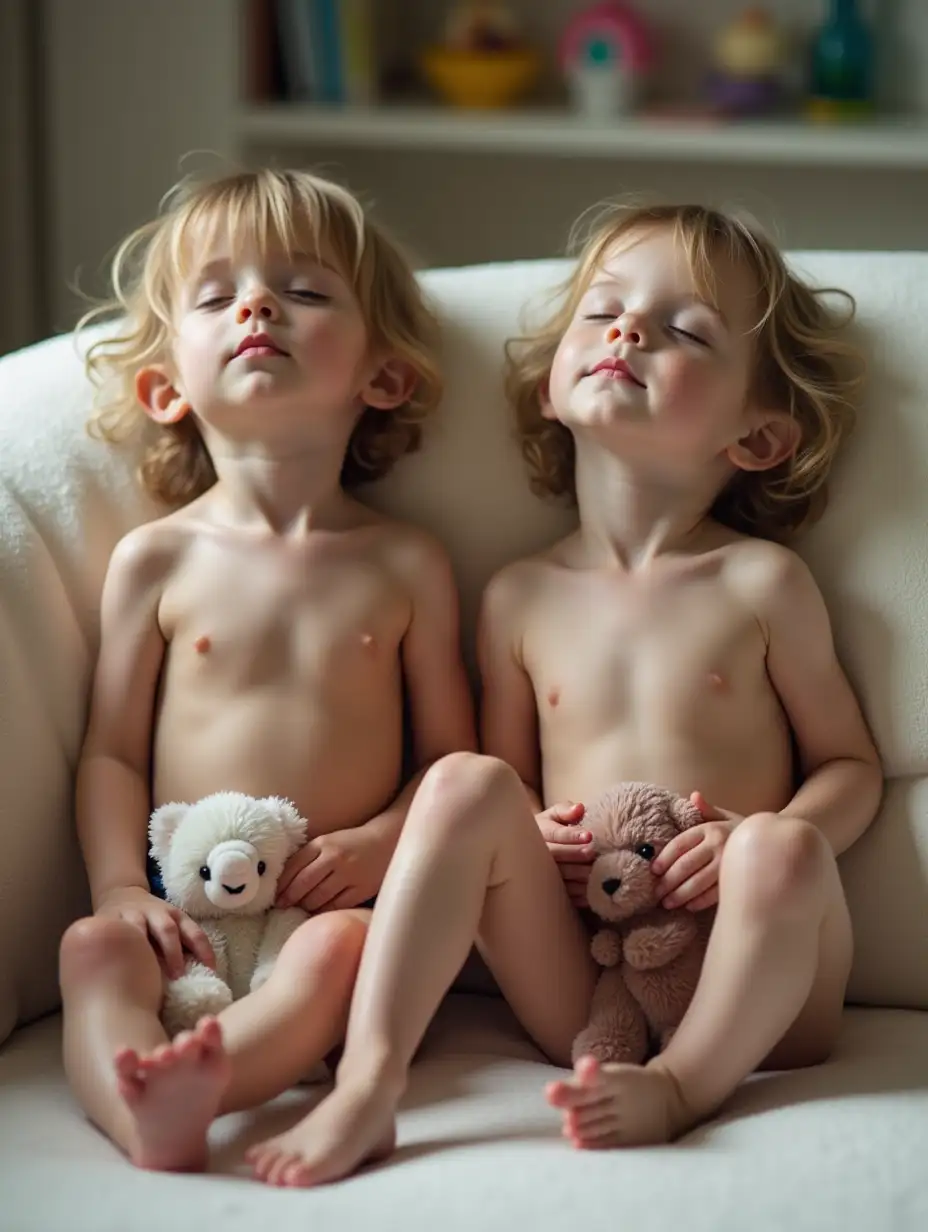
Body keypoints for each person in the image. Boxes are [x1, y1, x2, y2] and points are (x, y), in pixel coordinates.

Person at [249, 202, 883, 1187]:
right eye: (606, 313)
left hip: (760, 979)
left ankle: (680, 1084)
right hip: (588, 979)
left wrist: (747, 836)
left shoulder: (761, 583)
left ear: (756, 436)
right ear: (550, 383)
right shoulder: (518, 595)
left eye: (684, 330)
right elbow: (514, 784)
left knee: (785, 845)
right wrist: (540, 835)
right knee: (461, 781)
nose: (629, 332)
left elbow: (850, 765)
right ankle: (370, 1083)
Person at [58, 167, 476, 1173]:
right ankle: (141, 1106)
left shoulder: (404, 562)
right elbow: (113, 752)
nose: (256, 305)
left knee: (343, 952)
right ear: (165, 385)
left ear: (383, 375)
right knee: (90, 950)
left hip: (322, 918)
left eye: (304, 290)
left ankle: (210, 1083)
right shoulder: (156, 559)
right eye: (217, 294)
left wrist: (382, 840)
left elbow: (458, 758)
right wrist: (121, 886)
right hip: (183, 918)